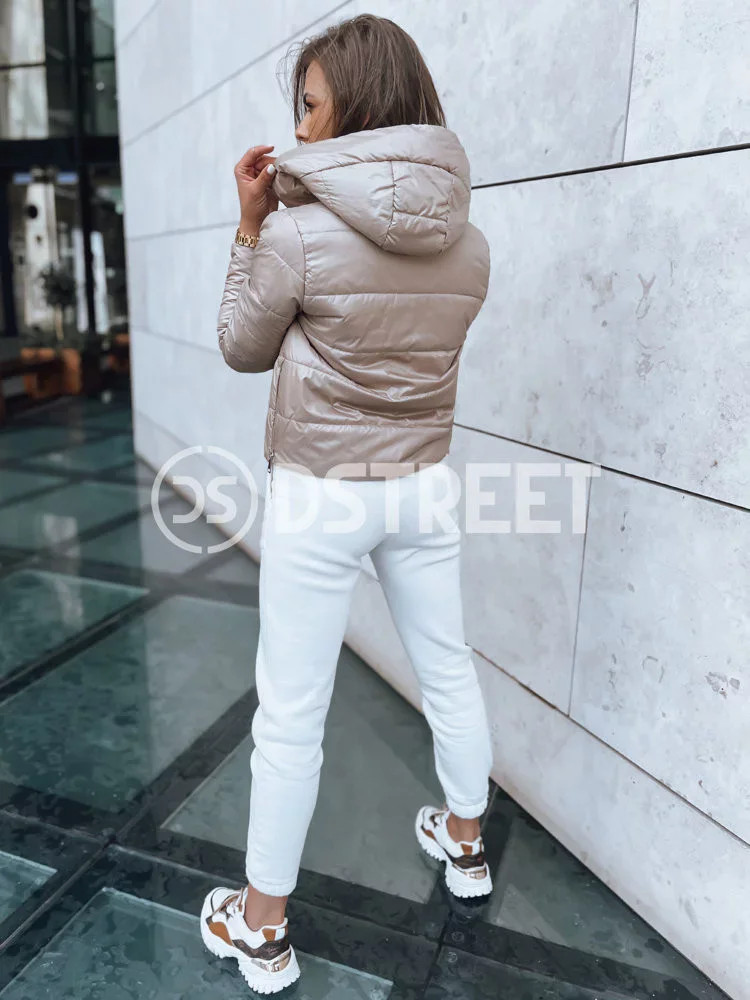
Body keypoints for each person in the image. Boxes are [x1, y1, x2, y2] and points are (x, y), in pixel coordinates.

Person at [200, 13, 494, 994]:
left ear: (359, 107)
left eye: (311, 105)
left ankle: (262, 929)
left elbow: (241, 347)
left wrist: (250, 228)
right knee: (448, 666)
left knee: (291, 715)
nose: (301, 127)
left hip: (322, 495)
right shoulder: (471, 246)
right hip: (423, 487)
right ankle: (464, 844)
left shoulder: (293, 233)